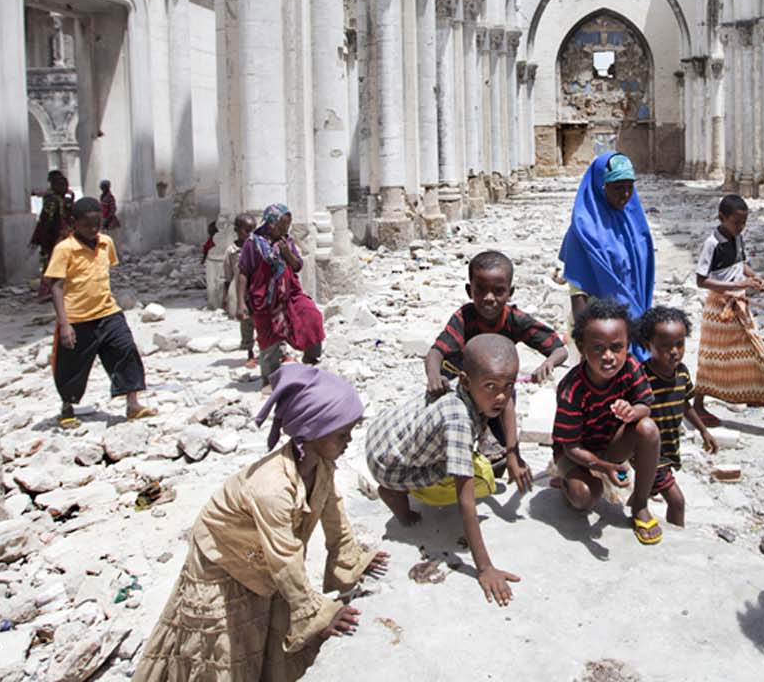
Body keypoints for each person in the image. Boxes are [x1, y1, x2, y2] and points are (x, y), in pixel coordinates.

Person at [134, 365, 389, 682]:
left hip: (258, 553)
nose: (349, 440)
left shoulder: (320, 463)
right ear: (311, 431)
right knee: (221, 644)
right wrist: (318, 613)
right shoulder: (271, 488)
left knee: (263, 623)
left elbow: (332, 508)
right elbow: (284, 557)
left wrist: (349, 558)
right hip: (221, 557)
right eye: (342, 433)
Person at [367, 335, 523, 606]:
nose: (501, 395)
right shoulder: (459, 421)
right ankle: (394, 492)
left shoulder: (462, 389)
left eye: (508, 386)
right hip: (386, 463)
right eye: (491, 386)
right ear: (465, 380)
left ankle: (401, 487)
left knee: (475, 466)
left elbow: (504, 401)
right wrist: (485, 568)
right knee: (481, 480)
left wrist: (512, 453)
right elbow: (466, 502)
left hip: (384, 433)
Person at [423, 250, 567, 489]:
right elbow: (436, 353)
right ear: (470, 291)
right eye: (481, 290)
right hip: (464, 389)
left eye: (498, 291)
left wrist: (548, 363)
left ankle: (502, 462)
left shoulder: (515, 319)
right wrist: (433, 376)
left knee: (502, 430)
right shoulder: (464, 318)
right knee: (456, 435)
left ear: (510, 293)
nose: (489, 298)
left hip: (498, 390)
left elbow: (558, 348)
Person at [550, 298, 662, 545]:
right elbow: (571, 447)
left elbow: (646, 404)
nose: (609, 356)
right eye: (598, 348)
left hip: (610, 443)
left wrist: (633, 412)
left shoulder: (630, 367)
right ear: (581, 346)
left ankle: (640, 503)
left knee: (648, 428)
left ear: (627, 345)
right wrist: (604, 468)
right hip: (576, 452)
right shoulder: (572, 389)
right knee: (584, 498)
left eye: (617, 347)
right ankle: (567, 480)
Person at [690, 194, 764, 433]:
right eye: (736, 222)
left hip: (738, 305)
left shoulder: (738, 238)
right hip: (720, 308)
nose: (740, 227)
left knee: (751, 356)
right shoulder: (712, 243)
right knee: (715, 358)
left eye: (743, 223)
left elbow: (740, 264)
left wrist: (753, 277)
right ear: (722, 218)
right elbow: (702, 280)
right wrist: (738, 286)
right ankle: (699, 405)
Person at [44, 196, 155, 427]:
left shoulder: (106, 243)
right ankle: (67, 407)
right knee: (71, 365)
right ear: (74, 223)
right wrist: (64, 324)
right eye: (87, 225)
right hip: (77, 317)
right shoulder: (64, 249)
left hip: (107, 311)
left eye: (98, 224)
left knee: (125, 350)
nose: (93, 230)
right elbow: (56, 286)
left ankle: (133, 404)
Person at [558, 151, 654, 361]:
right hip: (600, 331)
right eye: (618, 188)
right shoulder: (583, 232)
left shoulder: (634, 226)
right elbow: (578, 292)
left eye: (630, 187)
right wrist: (587, 340)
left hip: (634, 321)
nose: (626, 194)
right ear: (601, 187)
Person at [636, 306, 718, 528]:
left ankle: (634, 505)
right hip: (649, 452)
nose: (674, 351)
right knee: (677, 501)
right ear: (648, 346)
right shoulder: (642, 377)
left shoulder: (681, 372)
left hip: (670, 448)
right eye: (665, 346)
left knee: (644, 490)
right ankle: (678, 541)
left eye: (679, 344)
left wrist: (703, 431)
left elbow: (684, 404)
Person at [236, 204, 304, 381]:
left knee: (290, 329)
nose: (284, 229)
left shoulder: (286, 242)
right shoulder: (253, 243)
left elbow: (297, 266)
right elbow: (243, 272)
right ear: (270, 223)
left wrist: (287, 253)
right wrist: (240, 302)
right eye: (281, 226)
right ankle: (269, 379)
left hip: (284, 299)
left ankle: (291, 366)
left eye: (287, 226)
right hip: (262, 299)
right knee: (268, 340)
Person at [29, 169, 74, 298]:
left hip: (61, 237)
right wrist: (39, 238)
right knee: (52, 263)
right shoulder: (52, 200)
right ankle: (49, 290)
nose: (65, 188)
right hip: (54, 237)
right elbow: (46, 221)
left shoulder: (62, 200)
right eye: (62, 185)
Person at [222, 213, 258, 370]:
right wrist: (225, 297)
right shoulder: (232, 251)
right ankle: (250, 353)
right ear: (237, 230)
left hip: (259, 290)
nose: (250, 235)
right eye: (247, 231)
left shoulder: (258, 246)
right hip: (242, 293)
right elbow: (228, 276)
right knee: (246, 323)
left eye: (252, 231)